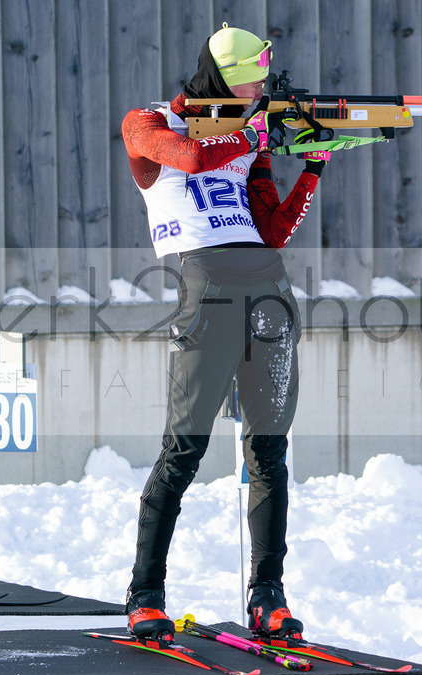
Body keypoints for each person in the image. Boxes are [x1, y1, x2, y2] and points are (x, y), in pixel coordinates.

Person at [120, 23, 329, 642]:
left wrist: (312, 168)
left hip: (268, 286)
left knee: (269, 451)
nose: (261, 89)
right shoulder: (149, 122)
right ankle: (145, 594)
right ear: (224, 79)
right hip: (207, 288)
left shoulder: (249, 144)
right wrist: (252, 132)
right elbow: (188, 157)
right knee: (183, 449)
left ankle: (269, 596)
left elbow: (274, 230)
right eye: (252, 81)